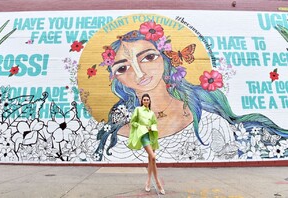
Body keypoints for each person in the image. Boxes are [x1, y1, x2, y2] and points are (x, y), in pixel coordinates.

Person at [93, 20, 288, 163]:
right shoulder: (115, 137)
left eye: (148, 57)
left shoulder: (208, 121)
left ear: (165, 58)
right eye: (122, 68)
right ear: (115, 79)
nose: (139, 72)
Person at [128, 93, 165, 194]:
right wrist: (141, 127)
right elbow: (133, 122)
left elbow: (154, 123)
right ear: (142, 101)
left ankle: (148, 182)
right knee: (153, 157)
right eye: (144, 100)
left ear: (149, 101)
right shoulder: (138, 110)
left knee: (151, 161)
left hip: (151, 136)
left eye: (147, 100)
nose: (146, 101)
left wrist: (151, 127)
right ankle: (158, 183)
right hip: (144, 136)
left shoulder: (151, 113)